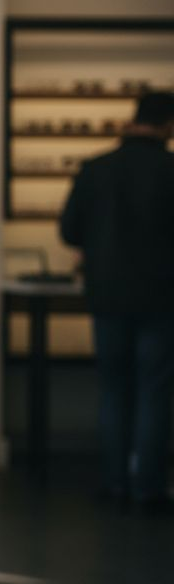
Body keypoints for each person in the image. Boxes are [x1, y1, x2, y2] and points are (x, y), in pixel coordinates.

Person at [60, 91, 174, 514]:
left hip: (106, 295)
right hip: (162, 298)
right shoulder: (170, 169)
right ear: (167, 124)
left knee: (112, 388)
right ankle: (147, 486)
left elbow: (70, 230)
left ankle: (113, 482)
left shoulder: (96, 169)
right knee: (155, 390)